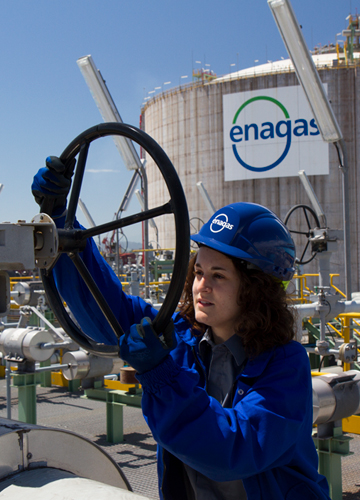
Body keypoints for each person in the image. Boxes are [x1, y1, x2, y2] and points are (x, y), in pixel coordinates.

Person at [32, 158, 331, 500]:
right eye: (199, 272)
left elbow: (232, 451)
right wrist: (59, 222)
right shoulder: (178, 336)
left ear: (255, 289)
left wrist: (162, 377)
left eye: (218, 276)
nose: (201, 286)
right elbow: (104, 307)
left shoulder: (285, 365)